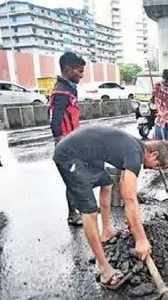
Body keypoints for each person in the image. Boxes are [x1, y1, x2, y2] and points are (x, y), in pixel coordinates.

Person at [53, 126, 168, 289]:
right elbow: (130, 199)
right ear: (153, 154)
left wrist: (132, 221)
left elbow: (125, 189)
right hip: (69, 155)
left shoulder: (136, 148)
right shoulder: (134, 154)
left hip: (86, 154)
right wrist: (141, 239)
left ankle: (107, 230)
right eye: (157, 165)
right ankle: (104, 270)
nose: (154, 169)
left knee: (107, 183)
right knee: (90, 211)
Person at [50, 52, 86, 226]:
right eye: (79, 71)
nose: (82, 75)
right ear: (67, 69)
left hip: (74, 140)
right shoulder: (61, 92)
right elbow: (55, 121)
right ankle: (73, 214)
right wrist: (61, 142)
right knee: (72, 179)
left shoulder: (69, 89)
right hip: (66, 144)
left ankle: (78, 208)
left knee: (76, 177)